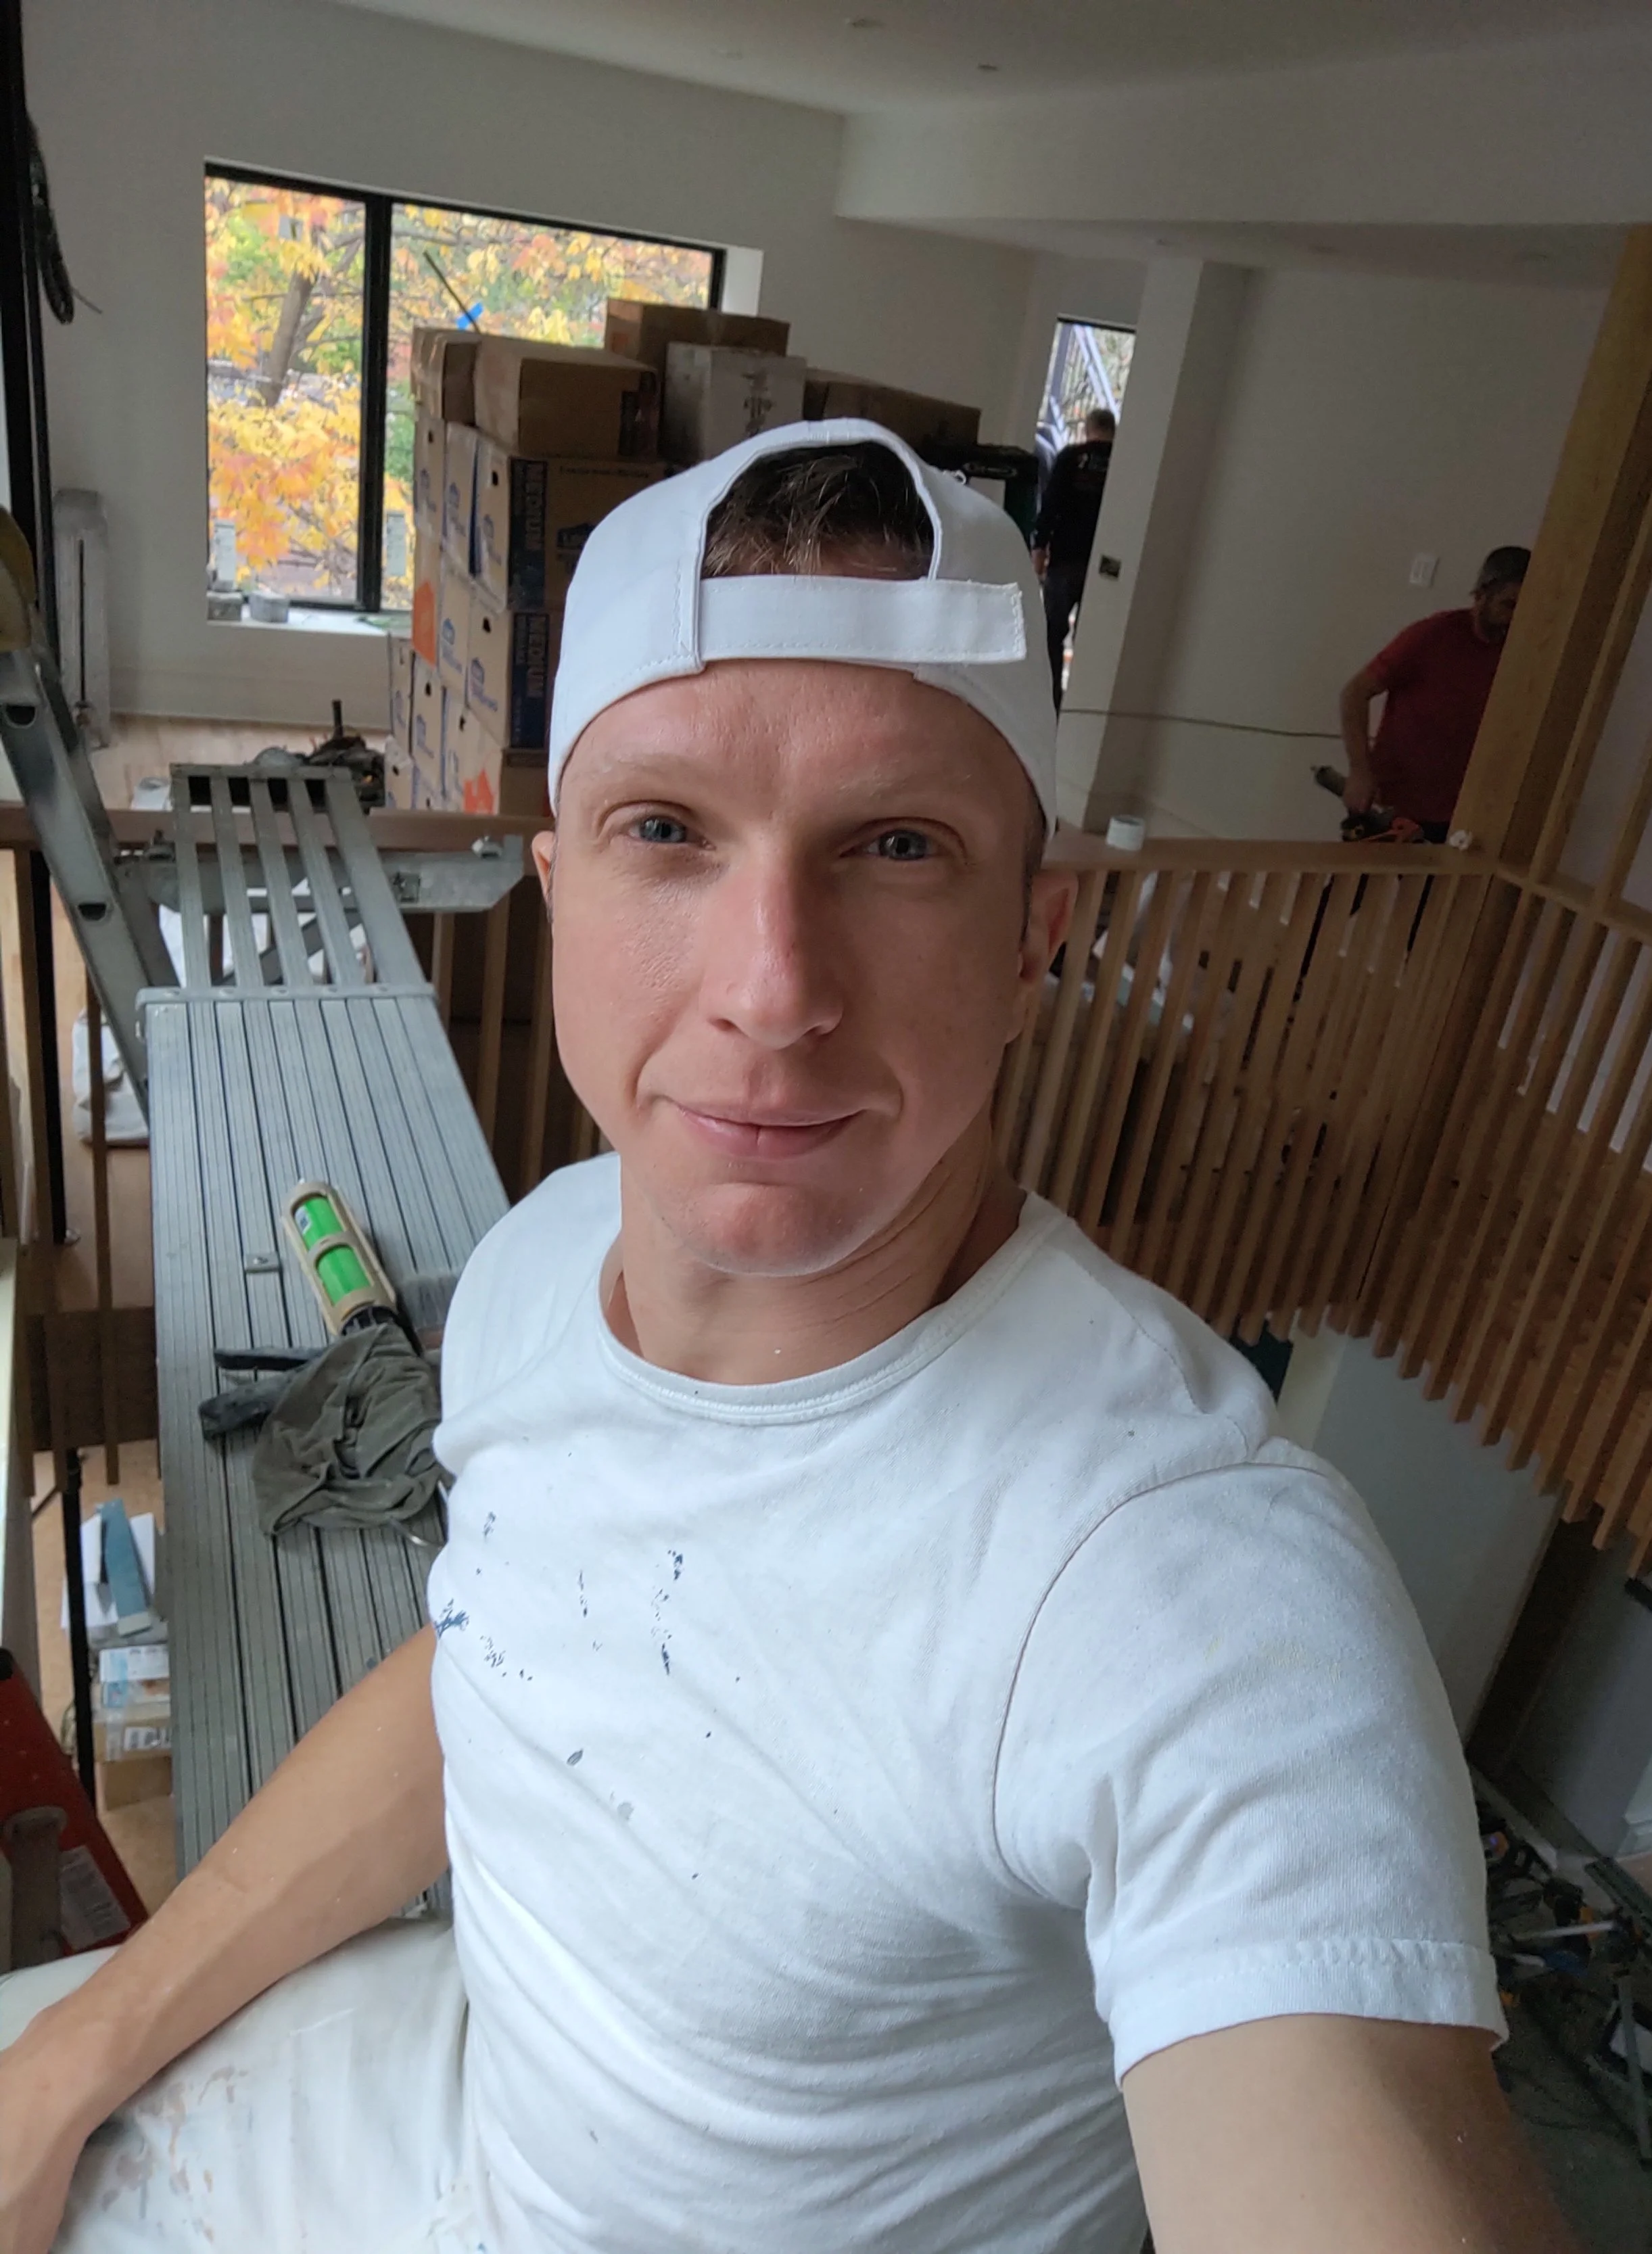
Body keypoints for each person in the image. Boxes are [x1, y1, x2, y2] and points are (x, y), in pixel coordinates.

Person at [0, 425, 1573, 2254]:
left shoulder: (1180, 1581)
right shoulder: (536, 1265)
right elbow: (497, 1666)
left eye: (894, 845)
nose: (771, 986)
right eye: (665, 830)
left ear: (1031, 934)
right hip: (455, 2100)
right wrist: (83, 2053)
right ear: (556, 881)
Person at [1339, 546, 1530, 841]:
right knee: (1351, 887)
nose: (1515, 619)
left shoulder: (1524, 654)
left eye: (1526, 609)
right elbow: (1355, 693)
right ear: (1481, 596)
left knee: (1434, 889)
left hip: (1461, 814)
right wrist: (1360, 772)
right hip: (1395, 802)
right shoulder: (1432, 636)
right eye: (1509, 605)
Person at [1031, 404, 1114, 705]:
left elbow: (1050, 506)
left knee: (1053, 633)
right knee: (1091, 638)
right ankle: (1083, 703)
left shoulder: (1070, 459)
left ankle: (1050, 699)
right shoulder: (1124, 466)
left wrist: (1039, 548)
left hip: (1066, 560)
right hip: (1105, 568)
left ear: (1088, 429)